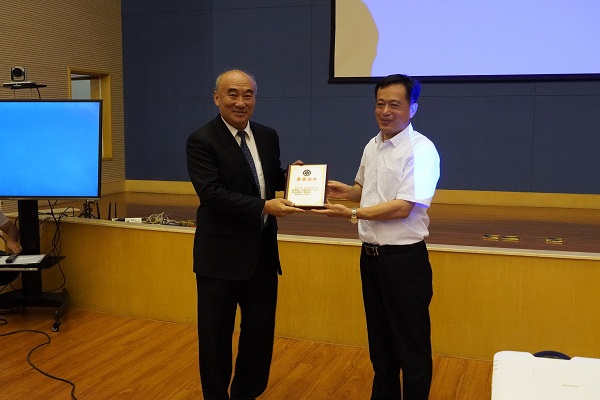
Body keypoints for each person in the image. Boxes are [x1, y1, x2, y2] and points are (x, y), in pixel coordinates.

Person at [313, 74, 440, 400]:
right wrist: (346, 192)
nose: (385, 111)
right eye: (380, 104)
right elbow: (364, 190)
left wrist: (351, 213)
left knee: (412, 351)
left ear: (412, 108)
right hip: (370, 259)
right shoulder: (373, 145)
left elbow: (404, 207)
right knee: (381, 351)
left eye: (394, 104)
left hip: (404, 262)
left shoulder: (422, 150)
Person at [186, 69, 304, 400]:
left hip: (262, 255)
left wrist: (295, 178)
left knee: (259, 333)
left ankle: (246, 394)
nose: (240, 102)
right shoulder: (201, 140)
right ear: (217, 98)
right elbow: (212, 193)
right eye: (233, 94)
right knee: (215, 337)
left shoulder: (267, 135)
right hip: (220, 259)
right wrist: (264, 206)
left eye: (247, 95)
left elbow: (264, 177)